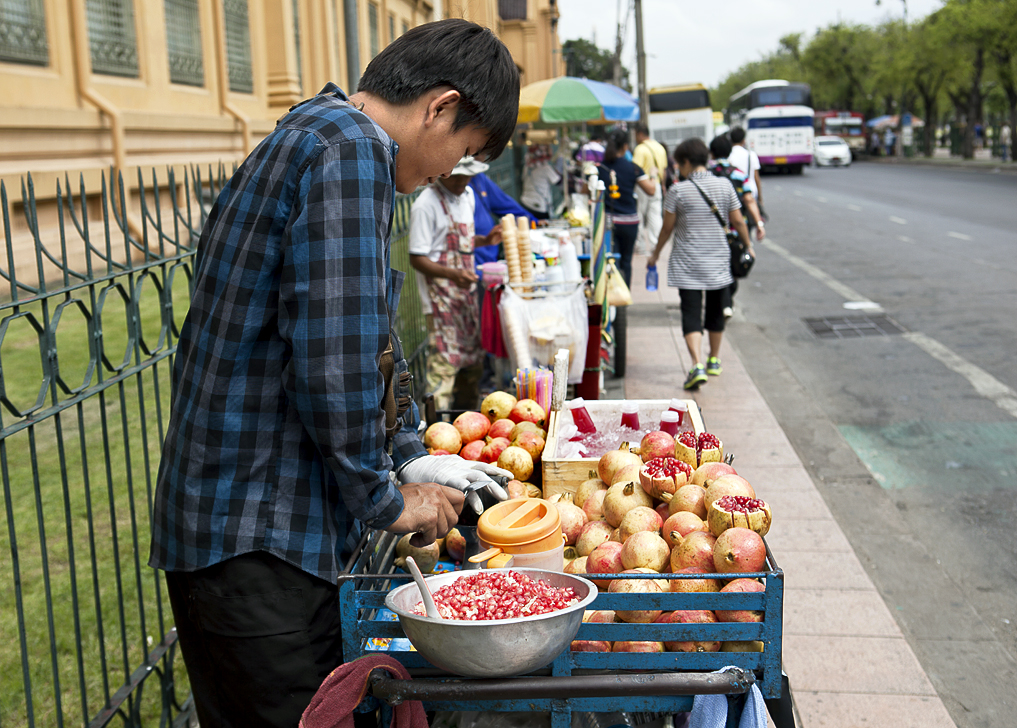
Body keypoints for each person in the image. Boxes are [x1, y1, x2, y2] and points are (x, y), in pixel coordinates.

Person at [149, 20, 519, 728]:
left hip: (249, 537)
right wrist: (386, 501)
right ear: (440, 106)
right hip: (257, 539)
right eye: (462, 151)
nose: (449, 171)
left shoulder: (320, 136)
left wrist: (414, 455)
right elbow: (334, 365)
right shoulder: (349, 152)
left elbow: (364, 336)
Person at [646, 138, 752, 391]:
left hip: (688, 264)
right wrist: (748, 246)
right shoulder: (725, 185)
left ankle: (697, 364)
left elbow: (667, 228)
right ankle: (713, 359)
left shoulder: (678, 190)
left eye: (678, 165)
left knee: (691, 313)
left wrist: (655, 254)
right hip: (718, 262)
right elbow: (738, 221)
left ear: (685, 162)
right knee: (716, 311)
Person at [410, 157, 501, 410]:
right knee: (443, 371)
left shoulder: (468, 195)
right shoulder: (425, 205)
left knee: (472, 366)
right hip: (440, 303)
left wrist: (485, 241)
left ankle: (466, 420)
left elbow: (461, 243)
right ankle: (436, 428)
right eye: (457, 176)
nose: (462, 181)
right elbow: (417, 258)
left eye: (467, 175)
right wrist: (454, 275)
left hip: (466, 298)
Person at [709, 135, 765, 319]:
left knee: (718, 265)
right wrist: (758, 223)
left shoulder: (707, 174)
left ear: (712, 152)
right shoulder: (739, 174)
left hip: (711, 230)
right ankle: (726, 302)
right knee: (733, 265)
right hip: (736, 229)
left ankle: (723, 303)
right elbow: (749, 200)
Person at [596, 129, 657, 288]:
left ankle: (612, 294)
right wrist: (654, 175)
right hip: (630, 222)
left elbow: (585, 190)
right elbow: (651, 190)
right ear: (625, 146)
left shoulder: (600, 168)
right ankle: (625, 295)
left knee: (611, 259)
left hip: (608, 222)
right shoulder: (633, 168)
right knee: (626, 260)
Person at [469, 172, 535, 266]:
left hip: (489, 256)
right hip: (472, 261)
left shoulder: (478, 178)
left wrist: (533, 221)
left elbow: (504, 203)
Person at [632, 123, 668, 255]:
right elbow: (663, 170)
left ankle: (641, 246)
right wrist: (662, 185)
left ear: (640, 134)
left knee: (639, 215)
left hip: (643, 186)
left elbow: (635, 170)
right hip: (657, 185)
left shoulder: (640, 149)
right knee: (655, 216)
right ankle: (656, 245)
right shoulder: (660, 148)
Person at [520, 144, 562, 220]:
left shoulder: (526, 167)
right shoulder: (545, 168)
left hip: (525, 202)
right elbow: (558, 181)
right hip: (539, 206)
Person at [728, 127, 763, 214]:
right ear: (743, 140)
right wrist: (760, 197)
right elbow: (756, 177)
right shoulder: (751, 155)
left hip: (734, 193)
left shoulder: (728, 156)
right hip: (750, 191)